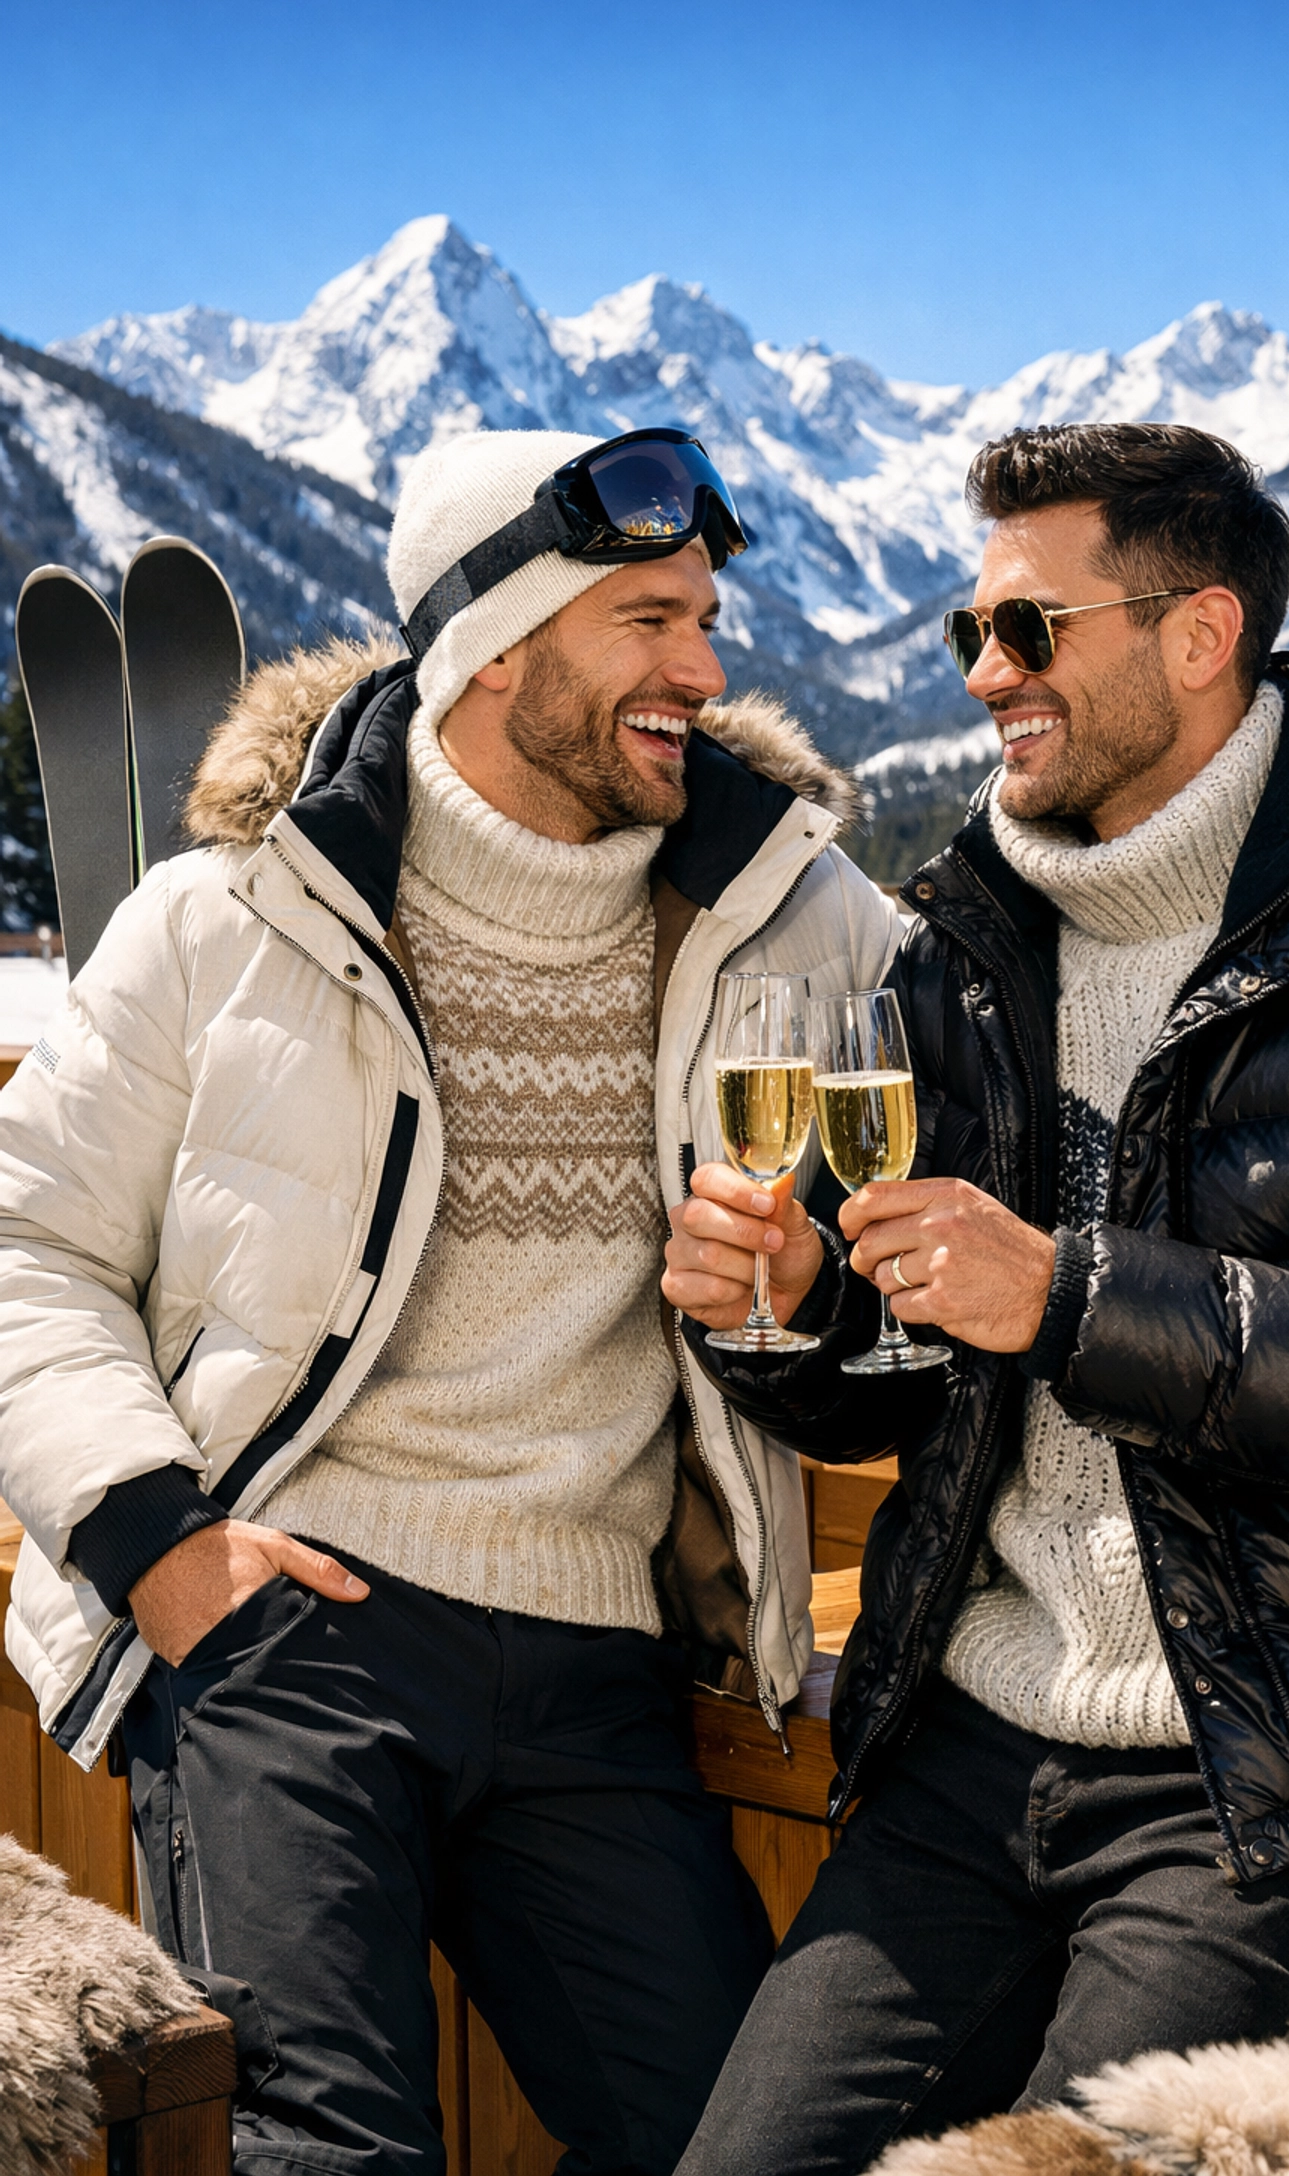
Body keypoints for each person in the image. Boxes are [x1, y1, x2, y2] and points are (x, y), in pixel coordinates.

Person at [0, 425, 901, 2176]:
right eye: (650, 620)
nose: (705, 672)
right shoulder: (226, 922)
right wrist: (160, 1549)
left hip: (599, 1662)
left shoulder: (792, 913)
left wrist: (818, 1281)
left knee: (747, 2148)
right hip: (288, 1630)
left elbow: (968, 1148)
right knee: (326, 2151)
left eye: (707, 618)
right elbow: (25, 1247)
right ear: (501, 645)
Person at [664, 421, 1289, 2174]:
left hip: (1272, 1771)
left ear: (1198, 635)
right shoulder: (967, 943)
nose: (989, 676)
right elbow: (906, 1368)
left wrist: (1069, 1297)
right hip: (967, 1734)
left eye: (1030, 632)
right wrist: (803, 1304)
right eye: (964, 635)